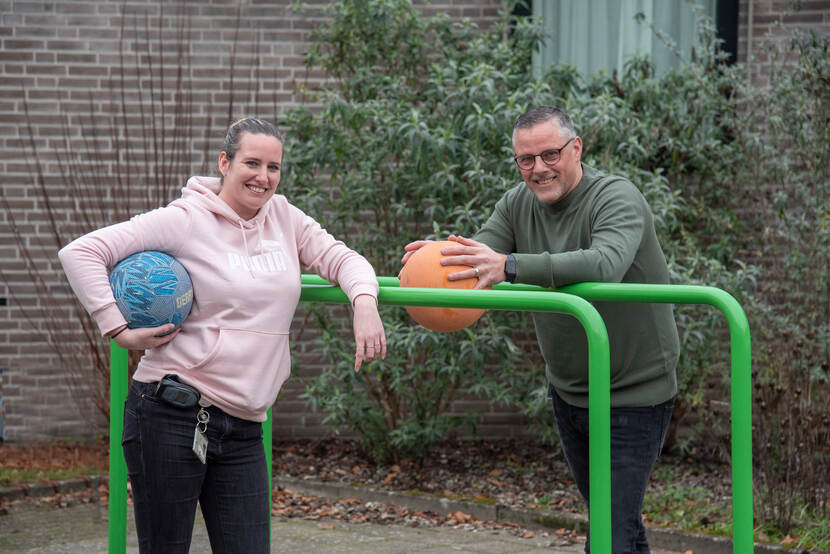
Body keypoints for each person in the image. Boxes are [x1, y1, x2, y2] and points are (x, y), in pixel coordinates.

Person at [59, 117, 387, 553]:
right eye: (252, 163)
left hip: (246, 426)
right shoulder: (186, 219)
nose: (263, 177)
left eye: (274, 167)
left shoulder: (285, 218)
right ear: (224, 162)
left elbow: (343, 259)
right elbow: (81, 251)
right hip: (171, 412)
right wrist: (117, 328)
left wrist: (363, 300)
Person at [402, 106, 679, 553]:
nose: (538, 169)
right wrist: (437, 258)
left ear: (576, 149)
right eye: (525, 160)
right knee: (616, 524)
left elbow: (604, 263)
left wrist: (510, 265)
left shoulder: (616, 197)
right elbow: (482, 255)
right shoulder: (516, 204)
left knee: (609, 533)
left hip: (634, 391)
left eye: (550, 154)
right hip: (569, 390)